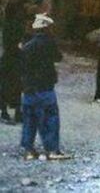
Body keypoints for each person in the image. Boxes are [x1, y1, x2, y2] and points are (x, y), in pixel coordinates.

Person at [20, 13, 70, 160]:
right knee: (50, 118)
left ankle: (28, 150)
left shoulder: (27, 45)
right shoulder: (49, 43)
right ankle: (52, 149)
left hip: (29, 88)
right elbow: (58, 57)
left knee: (29, 119)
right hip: (45, 87)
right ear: (47, 28)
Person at [1, 0, 28, 125]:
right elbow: (18, 41)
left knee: (6, 85)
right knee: (16, 85)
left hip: (8, 57)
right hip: (14, 57)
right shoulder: (16, 24)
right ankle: (16, 111)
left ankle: (5, 111)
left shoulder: (6, 24)